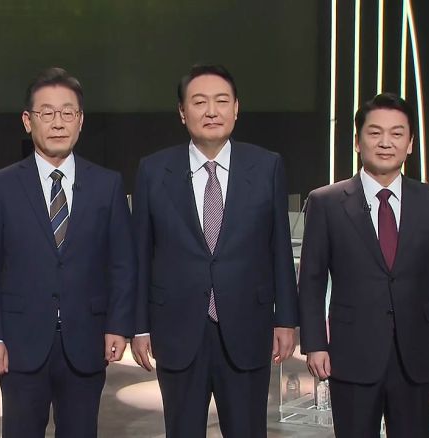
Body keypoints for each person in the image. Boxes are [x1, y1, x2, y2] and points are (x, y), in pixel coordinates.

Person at [131, 64, 298, 438]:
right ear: (182, 112)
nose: (211, 111)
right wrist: (139, 326)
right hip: (177, 329)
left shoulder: (266, 166)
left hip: (247, 325)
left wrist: (286, 319)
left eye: (221, 101)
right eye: (199, 102)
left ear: (236, 108)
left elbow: (279, 249)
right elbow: (140, 254)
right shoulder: (153, 170)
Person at [0, 67, 136, 438]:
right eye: (47, 113)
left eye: (67, 113)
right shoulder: (2, 185)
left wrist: (118, 325)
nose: (58, 123)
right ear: (27, 121)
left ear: (80, 120)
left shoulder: (107, 184)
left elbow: (122, 263)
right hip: (20, 343)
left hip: (87, 339)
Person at [298, 92, 429, 437]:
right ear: (358, 142)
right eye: (375, 133)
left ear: (410, 143)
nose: (386, 143)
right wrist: (315, 343)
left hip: (417, 352)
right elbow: (311, 281)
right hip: (351, 352)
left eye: (397, 133)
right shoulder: (326, 202)